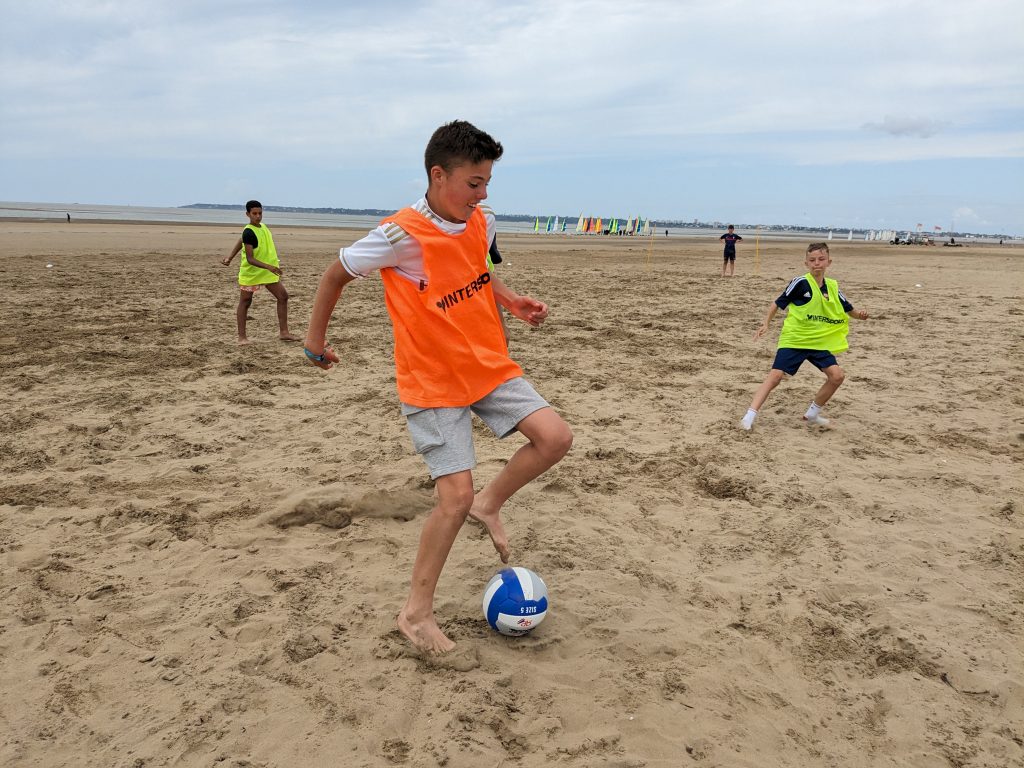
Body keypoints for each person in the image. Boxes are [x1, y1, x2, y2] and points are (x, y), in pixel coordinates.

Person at [303, 120, 573, 655]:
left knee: (555, 438)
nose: (484, 193)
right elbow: (334, 273)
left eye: (488, 180)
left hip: (488, 364)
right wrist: (315, 342)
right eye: (474, 182)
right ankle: (415, 613)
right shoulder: (399, 236)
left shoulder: (483, 220)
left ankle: (490, 504)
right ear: (438, 175)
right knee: (453, 498)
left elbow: (480, 270)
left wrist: (512, 300)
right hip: (432, 381)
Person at [740, 242, 869, 431]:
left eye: (821, 259)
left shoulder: (832, 286)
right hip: (795, 338)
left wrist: (861, 315)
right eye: (812, 260)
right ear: (806, 263)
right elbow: (778, 303)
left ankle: (812, 414)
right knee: (775, 376)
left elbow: (849, 309)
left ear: (829, 262)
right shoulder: (800, 282)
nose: (817, 263)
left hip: (819, 341)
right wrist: (766, 323)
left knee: (837, 376)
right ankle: (748, 417)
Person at [221, 200, 300, 345]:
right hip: (252, 272)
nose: (258, 216)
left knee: (283, 297)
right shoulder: (248, 231)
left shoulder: (262, 227)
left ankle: (284, 332)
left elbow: (241, 240)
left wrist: (230, 257)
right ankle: (242, 338)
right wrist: (268, 267)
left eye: (260, 213)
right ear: (247, 214)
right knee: (245, 302)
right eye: (254, 214)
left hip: (267, 272)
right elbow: (250, 259)